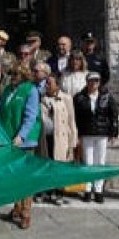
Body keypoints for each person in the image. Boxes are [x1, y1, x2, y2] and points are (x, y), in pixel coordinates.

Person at [1, 63, 41, 229]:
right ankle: (17, 206)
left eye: (16, 73)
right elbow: (3, 110)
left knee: (25, 177)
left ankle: (26, 212)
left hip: (24, 140)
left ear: (24, 74)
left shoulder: (30, 90)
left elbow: (31, 116)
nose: (13, 76)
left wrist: (22, 135)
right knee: (14, 176)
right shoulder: (7, 90)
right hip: (9, 138)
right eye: (11, 73)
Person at [73, 72, 118, 203]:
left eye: (96, 81)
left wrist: (114, 132)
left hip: (102, 133)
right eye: (91, 81)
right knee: (88, 162)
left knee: (100, 162)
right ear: (87, 82)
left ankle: (98, 190)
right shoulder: (79, 98)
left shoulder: (107, 97)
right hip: (87, 133)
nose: (93, 84)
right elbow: (76, 117)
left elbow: (113, 115)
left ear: (99, 82)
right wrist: (76, 134)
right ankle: (88, 189)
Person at [39, 74, 79, 205]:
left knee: (58, 165)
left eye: (50, 83)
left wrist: (73, 142)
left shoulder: (66, 98)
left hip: (60, 138)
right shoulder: (42, 98)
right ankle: (46, 190)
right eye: (46, 83)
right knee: (46, 164)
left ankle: (58, 192)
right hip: (46, 137)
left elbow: (71, 121)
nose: (47, 85)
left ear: (57, 85)